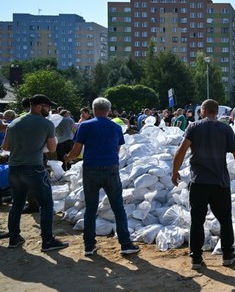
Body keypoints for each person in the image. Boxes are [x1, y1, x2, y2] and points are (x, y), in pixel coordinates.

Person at [172, 99, 235, 270]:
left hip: (198, 182)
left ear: (203, 111)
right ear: (216, 112)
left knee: (197, 221)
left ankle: (196, 259)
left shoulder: (194, 127)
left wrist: (175, 171)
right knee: (225, 220)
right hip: (219, 183)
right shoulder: (225, 129)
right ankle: (228, 255)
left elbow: (181, 150)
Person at [64, 97, 140, 257]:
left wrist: (67, 158)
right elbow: (118, 150)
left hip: (90, 169)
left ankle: (89, 246)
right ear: (109, 110)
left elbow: (76, 152)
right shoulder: (116, 127)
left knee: (91, 208)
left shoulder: (84, 126)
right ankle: (126, 244)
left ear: (93, 109)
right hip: (111, 169)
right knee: (118, 207)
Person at [2, 94, 69, 252]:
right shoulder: (46, 124)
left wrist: (22, 148)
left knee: (17, 204)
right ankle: (47, 241)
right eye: (47, 107)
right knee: (46, 204)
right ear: (39, 106)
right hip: (34, 168)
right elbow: (52, 149)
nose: (49, 110)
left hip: (14, 168)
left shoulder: (14, 123)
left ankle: (14, 238)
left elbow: (6, 147)